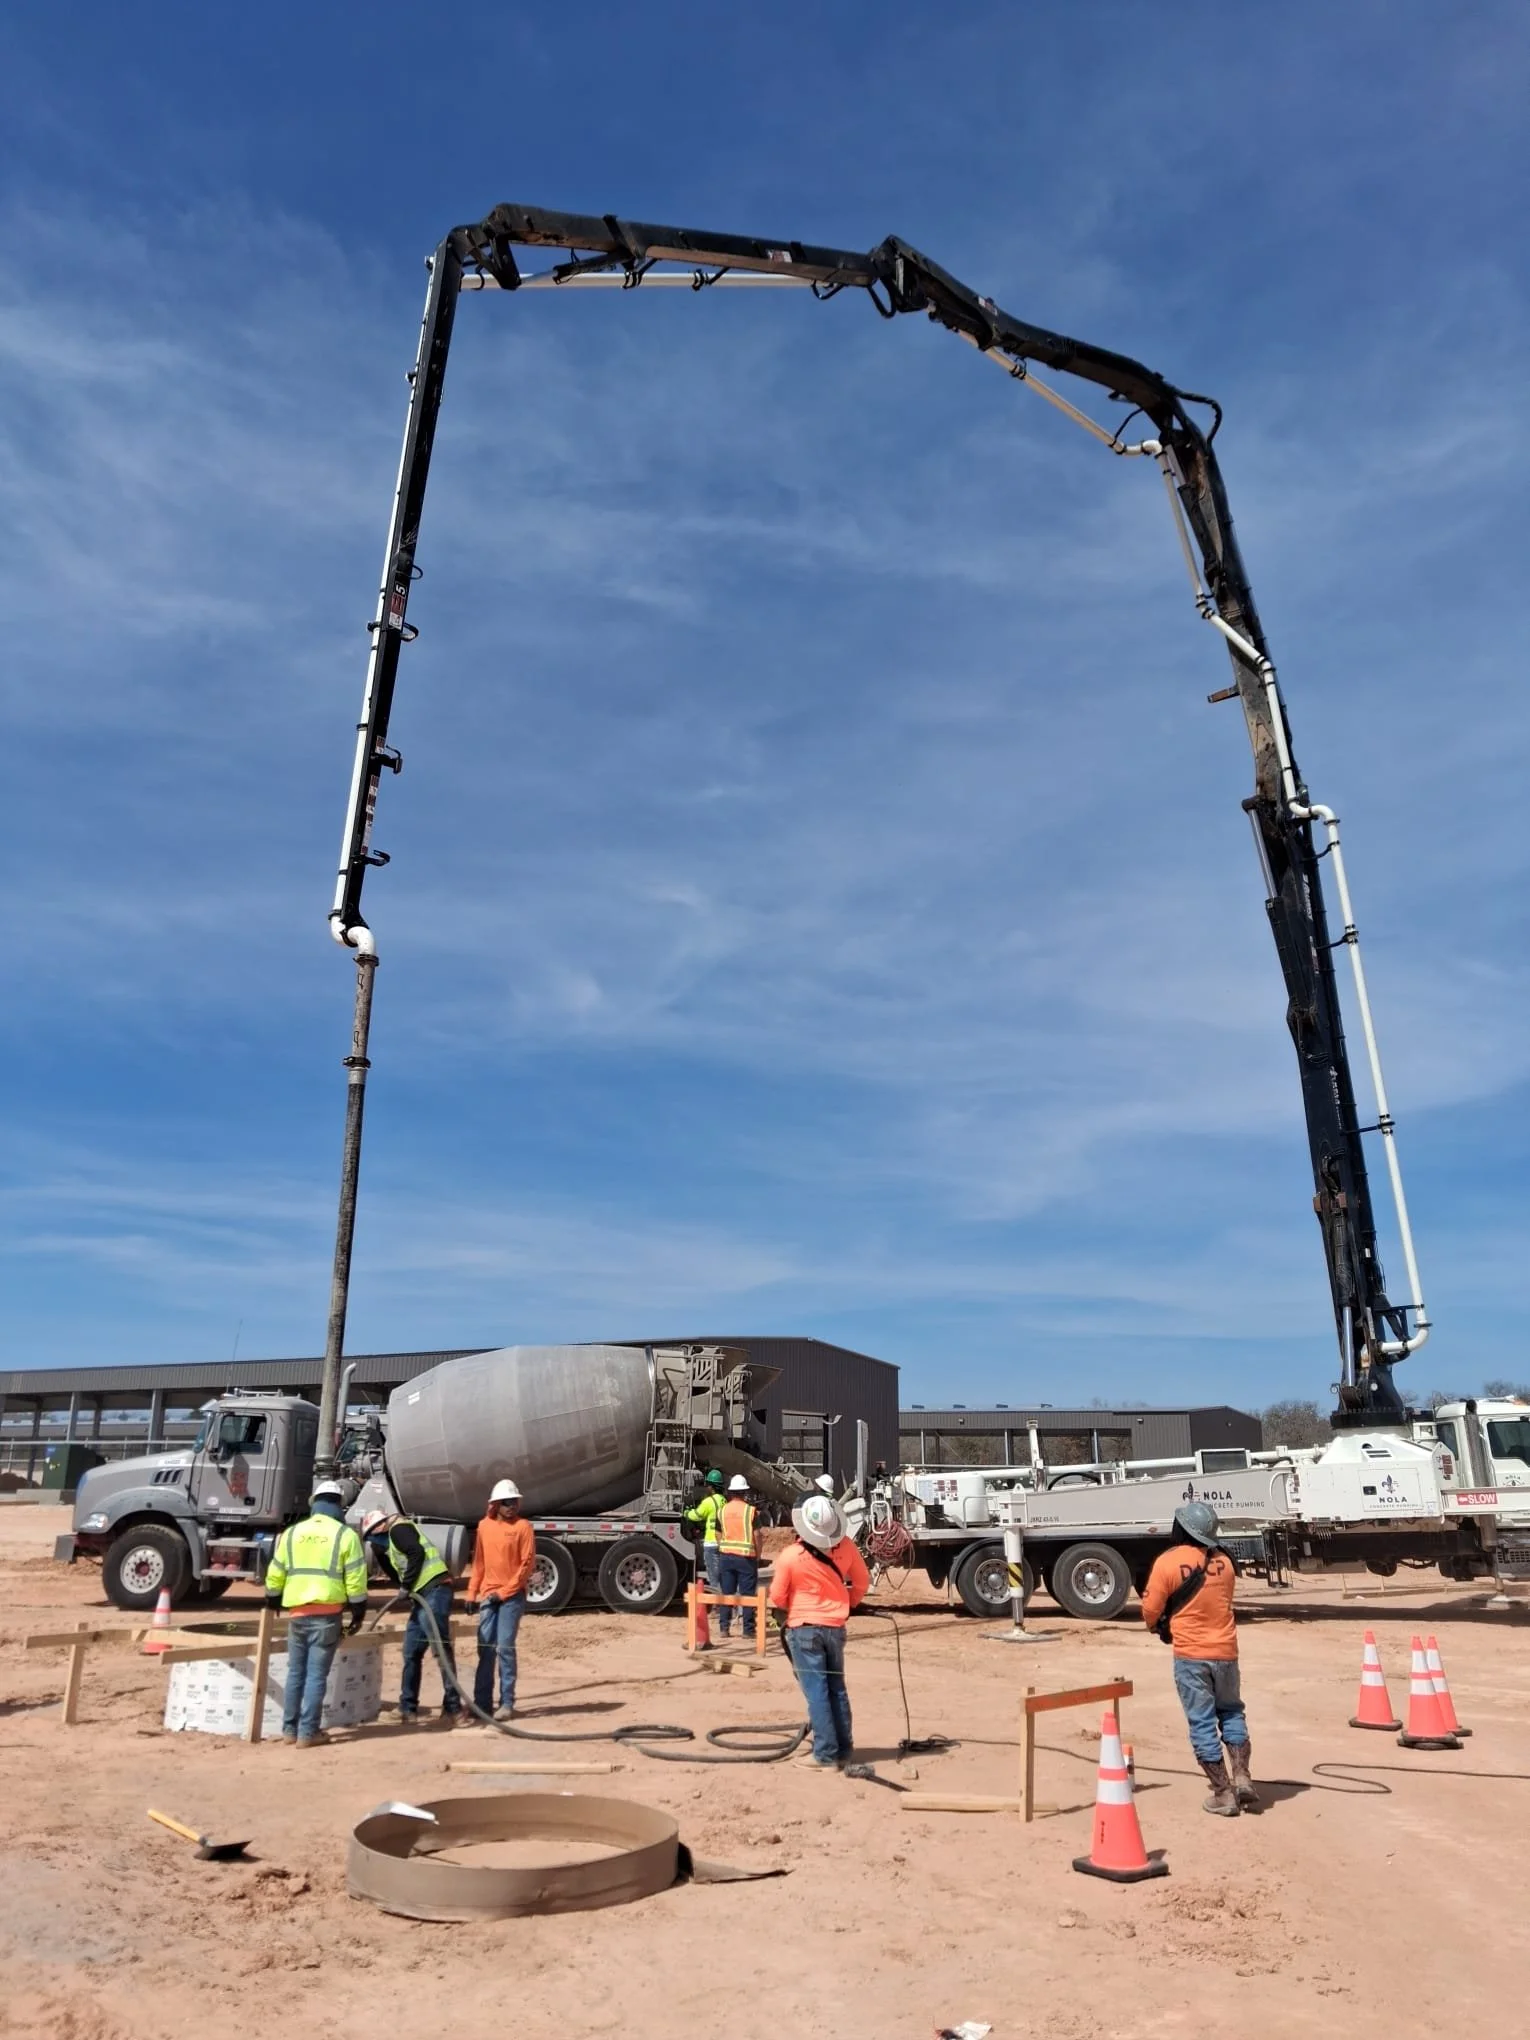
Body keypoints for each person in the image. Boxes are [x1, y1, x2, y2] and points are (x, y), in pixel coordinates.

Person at [1140, 1499, 1258, 1816]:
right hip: (1226, 1652)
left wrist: (1158, 1627)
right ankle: (1242, 1776)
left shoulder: (1167, 1562)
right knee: (1232, 1711)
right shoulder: (1225, 1561)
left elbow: (1151, 1610)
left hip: (1191, 1655)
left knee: (1202, 1722)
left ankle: (1223, 1793)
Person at [768, 1491, 870, 1771]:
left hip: (804, 1630)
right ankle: (844, 1749)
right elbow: (861, 1581)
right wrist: (847, 1602)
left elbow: (777, 1597)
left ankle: (825, 1755)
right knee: (837, 1689)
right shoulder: (847, 1547)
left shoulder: (791, 1556)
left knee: (817, 1692)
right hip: (836, 1627)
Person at [264, 1480, 369, 1748]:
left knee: (295, 1673)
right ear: (338, 1505)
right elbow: (356, 1577)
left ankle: (289, 1730)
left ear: (315, 1503)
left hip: (297, 1613)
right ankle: (308, 1732)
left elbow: (276, 1571)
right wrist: (358, 1611)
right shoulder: (345, 1535)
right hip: (327, 1615)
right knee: (315, 1676)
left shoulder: (292, 1533)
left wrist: (272, 1598)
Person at [361, 1508, 462, 1726]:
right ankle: (408, 1708)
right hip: (422, 1595)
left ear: (381, 1526)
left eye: (372, 1535)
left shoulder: (399, 1529)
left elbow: (417, 1553)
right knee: (411, 1651)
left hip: (435, 1590)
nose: (373, 1540)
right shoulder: (389, 1543)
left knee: (440, 1649)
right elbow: (396, 1570)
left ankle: (454, 1710)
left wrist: (406, 1586)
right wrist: (384, 1559)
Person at [467, 1476, 536, 1720]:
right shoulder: (484, 1527)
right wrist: (472, 1593)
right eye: (507, 1502)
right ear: (495, 1504)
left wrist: (504, 1593)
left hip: (511, 1597)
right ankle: (481, 1704)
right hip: (488, 1595)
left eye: (514, 1502)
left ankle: (507, 1702)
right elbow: (479, 1563)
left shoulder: (523, 1527)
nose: (512, 1506)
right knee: (485, 1649)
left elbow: (526, 1565)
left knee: (505, 1648)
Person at [716, 1473, 762, 1640]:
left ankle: (724, 1628)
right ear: (744, 1492)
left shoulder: (722, 1511)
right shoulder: (751, 1511)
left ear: (730, 1493)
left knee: (726, 1593)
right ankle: (748, 1630)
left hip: (726, 1557)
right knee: (748, 1595)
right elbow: (757, 1535)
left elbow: (717, 1534)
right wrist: (758, 1554)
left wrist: (724, 1547)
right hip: (745, 1558)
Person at [682, 1468, 728, 1608]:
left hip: (711, 1542)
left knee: (713, 1576)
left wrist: (686, 1512)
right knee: (721, 1575)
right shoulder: (723, 1500)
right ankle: (723, 1604)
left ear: (712, 1487)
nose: (706, 1487)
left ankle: (717, 1607)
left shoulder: (709, 1502)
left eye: (707, 1484)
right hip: (722, 1542)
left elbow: (697, 1515)